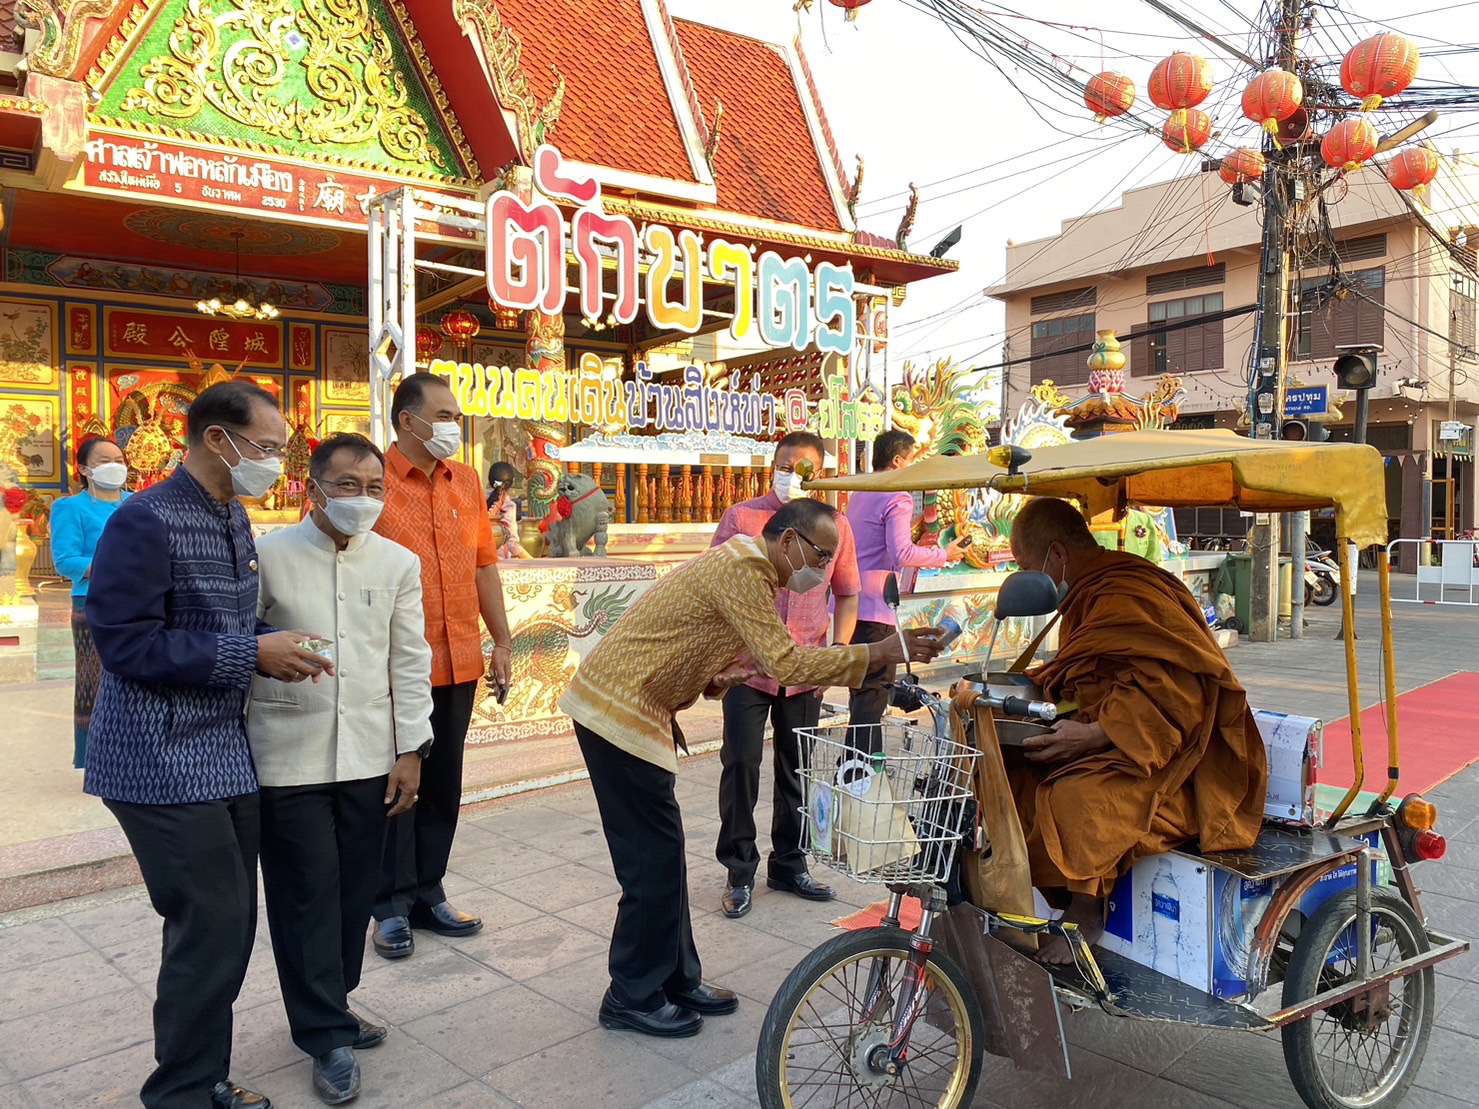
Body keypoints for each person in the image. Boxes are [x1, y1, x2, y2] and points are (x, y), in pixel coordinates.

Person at [558, 498, 945, 1038]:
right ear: (787, 541)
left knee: (665, 859)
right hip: (614, 712)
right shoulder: (744, 568)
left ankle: (674, 978)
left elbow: (709, 658)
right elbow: (787, 662)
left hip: (634, 710)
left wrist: (728, 673)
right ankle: (631, 994)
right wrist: (878, 652)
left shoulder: (754, 572)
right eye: (820, 554)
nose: (824, 568)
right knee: (649, 864)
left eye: (832, 557)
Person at [84, 381, 335, 1109]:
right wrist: (249, 655)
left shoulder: (231, 516)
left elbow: (218, 623)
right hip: (156, 757)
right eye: (266, 447)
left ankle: (201, 1074)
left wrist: (275, 644)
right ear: (216, 439)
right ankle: (182, 1091)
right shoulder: (146, 519)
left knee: (230, 923)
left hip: (223, 749)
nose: (274, 463)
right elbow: (125, 642)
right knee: (211, 923)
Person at [248, 434, 434, 1105]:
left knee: (356, 893)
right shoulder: (266, 555)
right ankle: (325, 1032)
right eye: (347, 485)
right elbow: (242, 648)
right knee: (305, 898)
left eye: (373, 486)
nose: (363, 499)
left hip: (368, 757)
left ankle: (332, 1000)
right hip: (285, 757)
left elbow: (410, 661)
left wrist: (411, 747)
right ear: (312, 488)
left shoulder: (397, 562)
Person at [1005, 497, 1268, 964]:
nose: (1028, 577)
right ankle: (1054, 899)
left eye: (1028, 566)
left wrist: (1089, 736)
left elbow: (1176, 694)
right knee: (1013, 778)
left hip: (1173, 756)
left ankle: (1087, 910)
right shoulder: (1093, 590)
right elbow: (1091, 674)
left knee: (1074, 798)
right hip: (1114, 734)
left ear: (1058, 556)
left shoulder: (1129, 592)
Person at [370, 372, 514, 959]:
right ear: (408, 420)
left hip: (459, 660)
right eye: (446, 415)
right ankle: (389, 904)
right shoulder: (369, 481)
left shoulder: (467, 481)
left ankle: (428, 890)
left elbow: (484, 567)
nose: (455, 425)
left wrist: (501, 642)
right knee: (396, 784)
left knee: (444, 784)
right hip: (394, 666)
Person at [708, 431, 859, 918]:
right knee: (741, 766)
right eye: (784, 464)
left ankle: (789, 864)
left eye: (803, 467)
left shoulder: (837, 527)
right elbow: (713, 581)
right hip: (747, 668)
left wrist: (838, 650)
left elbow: (848, 592)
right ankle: (738, 870)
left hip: (805, 667)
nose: (792, 473)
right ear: (773, 465)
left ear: (821, 472)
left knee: (796, 768)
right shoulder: (743, 517)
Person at [846, 430, 969, 739]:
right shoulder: (897, 494)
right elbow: (901, 553)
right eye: (912, 459)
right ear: (898, 460)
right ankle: (862, 772)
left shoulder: (860, 490)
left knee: (863, 691)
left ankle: (854, 768)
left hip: (849, 603)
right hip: (877, 605)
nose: (914, 465)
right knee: (874, 692)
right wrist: (945, 553)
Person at [49, 436, 131, 769]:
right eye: (103, 461)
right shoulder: (70, 507)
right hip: (93, 602)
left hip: (141, 602)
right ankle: (94, 756)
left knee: (136, 678)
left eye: (119, 459)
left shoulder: (139, 502)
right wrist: (110, 568)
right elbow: (65, 560)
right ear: (84, 469)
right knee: (92, 679)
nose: (114, 466)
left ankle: (132, 750)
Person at [487, 460, 531, 559]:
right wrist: (532, 561)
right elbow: (511, 542)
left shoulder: (480, 498)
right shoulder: (508, 505)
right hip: (498, 557)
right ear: (513, 481)